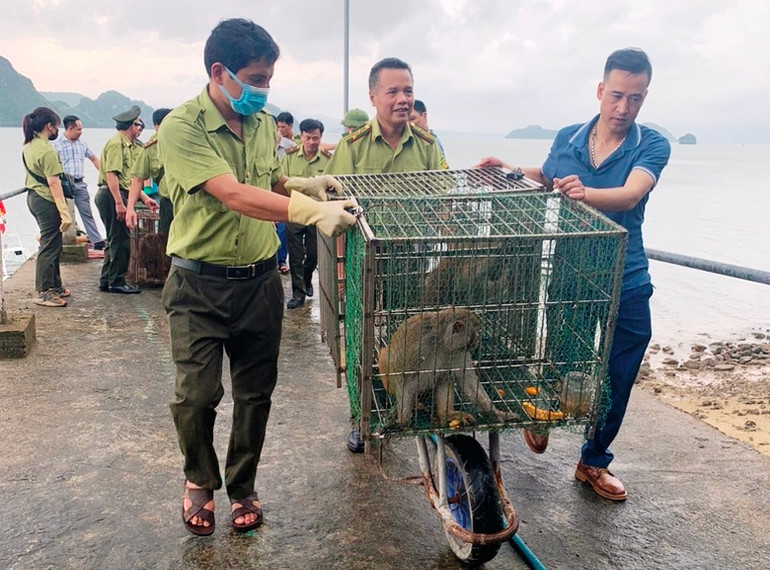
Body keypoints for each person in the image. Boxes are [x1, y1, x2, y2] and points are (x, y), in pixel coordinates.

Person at [156, 17, 357, 536]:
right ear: (220, 72)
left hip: (259, 283)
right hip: (198, 284)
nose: (264, 89)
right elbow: (234, 193)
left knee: (255, 393)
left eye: (269, 78)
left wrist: (308, 184)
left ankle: (242, 484)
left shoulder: (265, 125)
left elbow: (266, 179)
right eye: (257, 78)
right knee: (196, 395)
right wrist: (311, 214)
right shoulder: (183, 126)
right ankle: (200, 478)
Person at [476, 47, 671, 501]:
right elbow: (545, 177)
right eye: (618, 95)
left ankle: (593, 461)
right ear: (601, 90)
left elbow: (629, 195)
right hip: (571, 274)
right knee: (565, 362)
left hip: (627, 274)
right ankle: (540, 416)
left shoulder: (652, 144)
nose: (624, 108)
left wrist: (587, 193)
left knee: (620, 371)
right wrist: (505, 172)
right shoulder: (567, 137)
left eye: (636, 99)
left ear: (645, 97)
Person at [324, 57, 448, 453]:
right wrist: (343, 272)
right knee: (361, 336)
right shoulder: (353, 145)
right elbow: (337, 209)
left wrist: (442, 221)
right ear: (374, 97)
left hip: (411, 259)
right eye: (393, 91)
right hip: (364, 259)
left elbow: (445, 198)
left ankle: (403, 403)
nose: (402, 99)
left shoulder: (427, 146)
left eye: (408, 91)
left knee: (408, 334)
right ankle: (361, 416)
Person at [21, 107, 72, 307]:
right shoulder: (46, 150)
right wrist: (64, 211)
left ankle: (55, 285)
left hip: (34, 198)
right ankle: (44, 291)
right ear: (49, 126)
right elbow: (54, 183)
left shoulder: (29, 146)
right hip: (46, 199)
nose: (56, 130)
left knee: (53, 242)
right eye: (56, 126)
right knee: (49, 245)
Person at [95, 105, 147, 294]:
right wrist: (119, 202)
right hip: (111, 194)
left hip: (115, 193)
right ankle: (116, 281)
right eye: (137, 125)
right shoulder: (117, 144)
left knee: (114, 239)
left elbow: (128, 180)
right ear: (130, 126)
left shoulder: (127, 145)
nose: (139, 129)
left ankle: (106, 279)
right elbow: (112, 175)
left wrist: (144, 197)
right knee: (120, 240)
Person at [281, 118, 332, 309]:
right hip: (294, 212)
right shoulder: (289, 157)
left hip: (316, 214)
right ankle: (298, 293)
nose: (312, 142)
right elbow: (283, 184)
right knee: (295, 256)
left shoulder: (327, 160)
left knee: (313, 254)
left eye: (316, 138)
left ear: (320, 138)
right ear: (301, 136)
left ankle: (307, 278)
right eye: (308, 138)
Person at [52, 115, 105, 250]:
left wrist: (105, 174)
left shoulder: (82, 143)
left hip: (79, 183)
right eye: (79, 129)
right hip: (63, 183)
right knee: (64, 214)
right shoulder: (56, 144)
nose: (81, 132)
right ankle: (61, 241)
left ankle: (97, 241)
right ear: (70, 128)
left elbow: (93, 159)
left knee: (86, 212)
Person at [125, 108, 172, 236]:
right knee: (169, 244)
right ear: (156, 126)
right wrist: (130, 209)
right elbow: (138, 179)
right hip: (168, 202)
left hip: (190, 203)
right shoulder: (150, 147)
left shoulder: (186, 142)